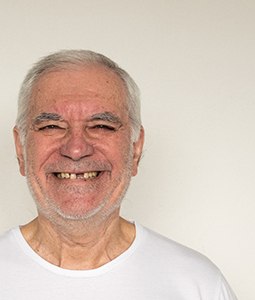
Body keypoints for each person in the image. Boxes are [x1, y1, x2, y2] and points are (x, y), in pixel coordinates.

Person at [0, 50, 237, 299]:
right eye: (52, 126)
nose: (76, 149)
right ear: (21, 148)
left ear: (135, 148)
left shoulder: (197, 284)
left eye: (102, 126)